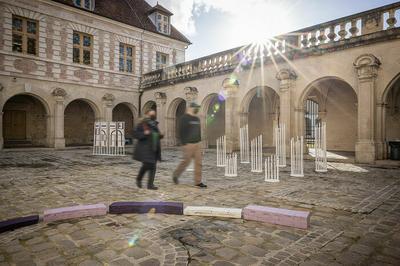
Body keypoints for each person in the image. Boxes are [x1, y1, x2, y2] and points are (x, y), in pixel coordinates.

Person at [172, 102, 207, 188]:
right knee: (186, 162)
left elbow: (198, 131)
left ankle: (198, 182)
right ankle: (176, 175)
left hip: (197, 143)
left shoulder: (196, 119)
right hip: (188, 144)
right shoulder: (184, 118)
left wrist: (200, 143)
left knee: (199, 163)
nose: (196, 109)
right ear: (190, 108)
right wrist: (184, 143)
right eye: (195, 107)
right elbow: (181, 131)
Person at [133, 109, 163, 190]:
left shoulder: (154, 124)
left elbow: (156, 134)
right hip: (145, 148)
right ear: (147, 115)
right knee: (147, 165)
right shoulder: (142, 124)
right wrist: (144, 134)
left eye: (154, 114)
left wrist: (160, 135)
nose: (153, 115)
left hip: (154, 148)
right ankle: (139, 179)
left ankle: (150, 185)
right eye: (151, 114)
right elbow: (135, 134)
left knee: (153, 166)